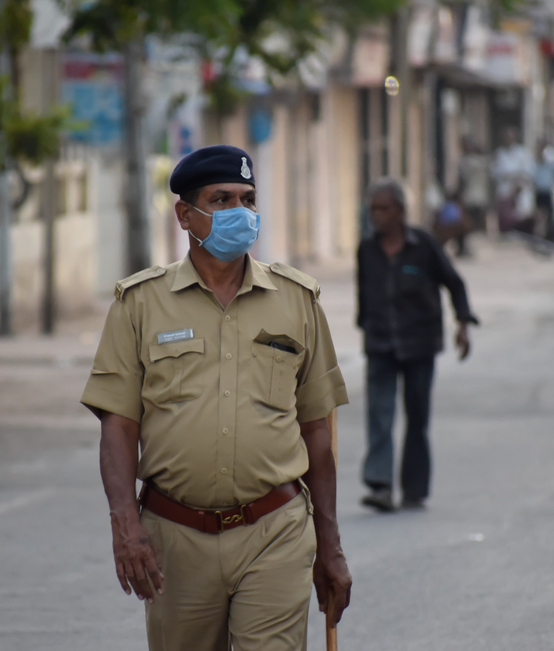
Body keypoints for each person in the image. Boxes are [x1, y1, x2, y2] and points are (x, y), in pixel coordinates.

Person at [80, 145, 351, 651]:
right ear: (185, 215)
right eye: (221, 199)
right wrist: (125, 524)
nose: (239, 212)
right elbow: (118, 425)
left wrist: (330, 545)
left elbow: (317, 430)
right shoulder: (140, 305)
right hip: (175, 538)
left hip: (275, 530)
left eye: (248, 199)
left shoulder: (297, 301)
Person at [357, 177, 479, 512]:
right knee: (379, 415)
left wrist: (463, 324)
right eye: (373, 209)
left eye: (384, 208)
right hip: (380, 344)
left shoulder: (424, 245)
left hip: (419, 344)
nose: (377, 215)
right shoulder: (366, 249)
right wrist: (364, 327)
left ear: (400, 211)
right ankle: (380, 485)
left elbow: (454, 283)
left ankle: (414, 487)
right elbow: (363, 293)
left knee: (417, 417)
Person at [492, 128, 535, 233]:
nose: (509, 140)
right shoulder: (500, 154)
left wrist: (519, 182)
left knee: (522, 214)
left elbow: (528, 171)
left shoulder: (522, 152)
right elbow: (496, 172)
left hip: (520, 187)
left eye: (510, 137)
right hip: (505, 188)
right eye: (506, 138)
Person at [458, 137, 492, 235]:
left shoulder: (467, 161)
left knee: (472, 221)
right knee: (478, 220)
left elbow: (462, 180)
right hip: (480, 195)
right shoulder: (485, 162)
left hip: (470, 195)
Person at [533, 142, 554, 241]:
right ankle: (539, 236)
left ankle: (548, 236)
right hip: (539, 192)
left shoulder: (550, 164)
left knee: (549, 216)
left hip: (547, 192)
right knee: (540, 216)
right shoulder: (535, 165)